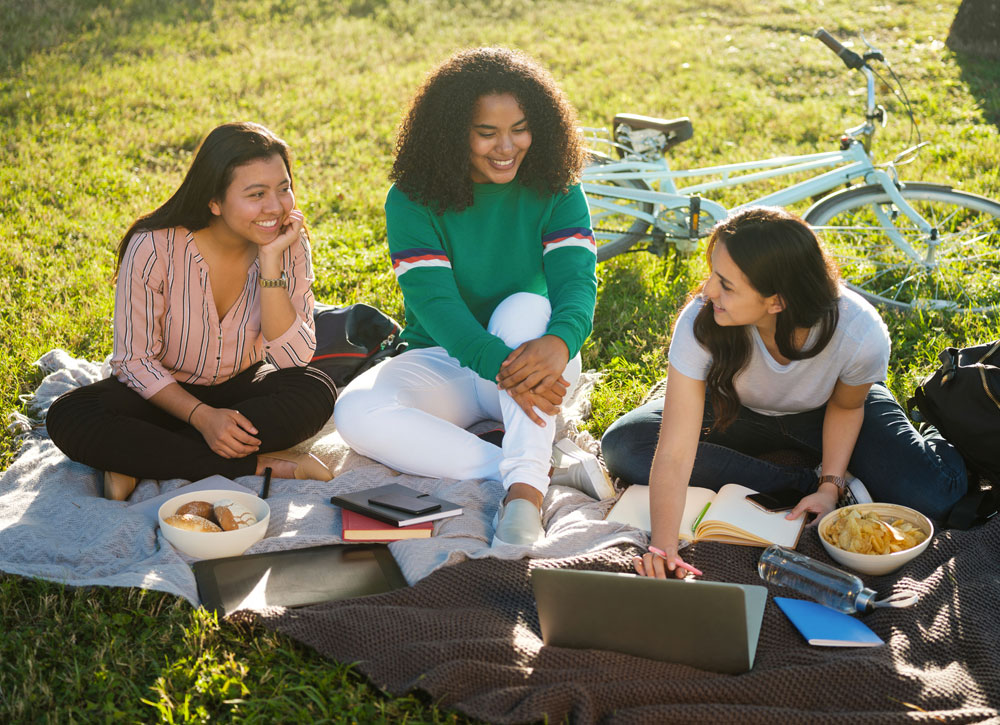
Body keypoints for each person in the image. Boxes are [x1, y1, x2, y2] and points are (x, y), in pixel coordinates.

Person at [333, 47, 612, 547]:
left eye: (520, 128)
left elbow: (576, 282)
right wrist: (501, 366)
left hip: (537, 358)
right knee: (355, 412)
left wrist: (561, 342)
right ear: (451, 133)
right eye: (487, 133)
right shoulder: (412, 199)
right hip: (453, 360)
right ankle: (537, 465)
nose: (507, 147)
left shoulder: (557, 186)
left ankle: (523, 499)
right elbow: (434, 306)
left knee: (524, 306)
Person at [600, 207, 968, 578]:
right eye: (713, 273)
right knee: (625, 446)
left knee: (936, 496)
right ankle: (800, 483)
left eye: (726, 285)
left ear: (777, 301)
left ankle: (927, 421)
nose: (708, 291)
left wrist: (831, 485)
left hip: (829, 410)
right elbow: (675, 453)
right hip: (735, 408)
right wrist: (665, 548)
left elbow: (845, 407)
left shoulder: (859, 332)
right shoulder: (702, 320)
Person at [48, 122, 337, 500]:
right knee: (70, 417)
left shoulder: (289, 245)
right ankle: (255, 463)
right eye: (256, 194)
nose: (275, 206)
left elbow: (293, 357)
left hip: (242, 390)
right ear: (214, 201)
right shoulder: (153, 246)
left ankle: (141, 459)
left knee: (316, 391)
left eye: (284, 189)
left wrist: (271, 263)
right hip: (163, 394)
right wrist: (202, 417)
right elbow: (134, 361)